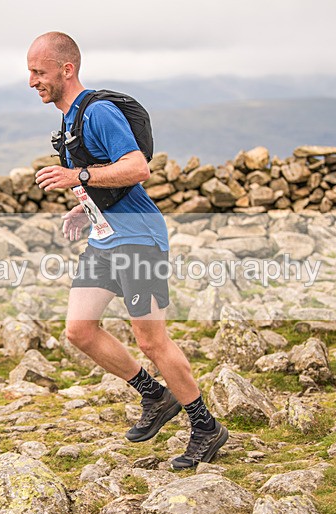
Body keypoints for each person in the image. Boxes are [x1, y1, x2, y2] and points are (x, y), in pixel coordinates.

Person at [27, 32, 229, 470]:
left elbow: (138, 168)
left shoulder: (98, 112)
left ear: (67, 69)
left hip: (138, 237)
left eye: (39, 72)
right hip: (105, 237)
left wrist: (77, 178)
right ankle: (155, 396)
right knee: (79, 330)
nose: (31, 81)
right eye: (29, 72)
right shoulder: (69, 120)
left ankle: (205, 426)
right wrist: (85, 209)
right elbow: (104, 177)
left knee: (152, 341)